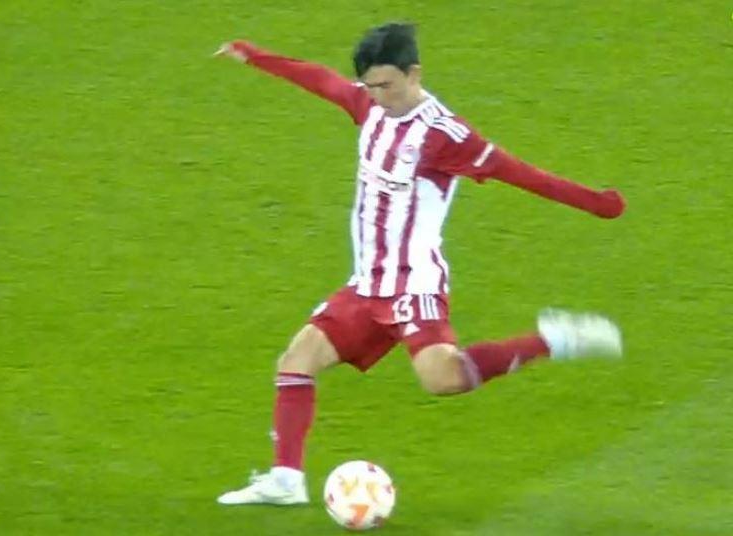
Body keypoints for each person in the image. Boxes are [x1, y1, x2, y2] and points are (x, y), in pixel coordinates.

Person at [213, 22, 625, 506]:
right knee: (296, 361)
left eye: (387, 85)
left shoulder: (446, 135)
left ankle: (553, 339)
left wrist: (597, 204)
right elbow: (322, 80)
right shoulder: (369, 106)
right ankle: (286, 480)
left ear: (414, 74)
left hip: (414, 283)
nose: (377, 95)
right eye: (370, 85)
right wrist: (256, 56)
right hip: (367, 283)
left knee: (442, 379)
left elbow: (520, 173)